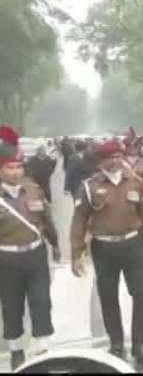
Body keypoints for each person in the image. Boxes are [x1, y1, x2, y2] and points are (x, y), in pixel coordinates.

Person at [70, 140, 143, 365]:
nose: (117, 160)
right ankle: (116, 342)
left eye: (120, 156)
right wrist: (76, 253)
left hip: (133, 244)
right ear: (101, 162)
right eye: (111, 157)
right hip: (104, 247)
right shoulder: (89, 187)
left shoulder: (136, 183)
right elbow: (78, 221)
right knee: (108, 296)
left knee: (141, 293)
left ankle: (141, 344)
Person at [0, 125, 60, 370]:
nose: (15, 172)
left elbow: (46, 219)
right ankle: (16, 350)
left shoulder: (34, 189)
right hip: (6, 259)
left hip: (35, 254)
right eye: (10, 168)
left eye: (19, 167)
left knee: (41, 301)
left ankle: (42, 346)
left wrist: (55, 244)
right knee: (11, 305)